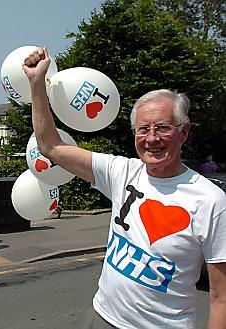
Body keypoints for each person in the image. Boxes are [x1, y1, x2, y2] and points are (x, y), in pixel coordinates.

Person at [23, 47, 226, 328]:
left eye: (163, 127)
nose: (151, 138)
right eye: (143, 129)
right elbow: (51, 146)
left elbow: (220, 298)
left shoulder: (212, 200)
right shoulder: (122, 171)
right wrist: (37, 84)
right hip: (101, 318)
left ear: (184, 131)